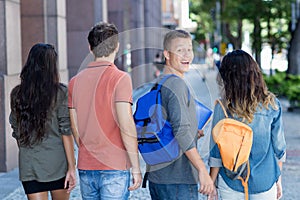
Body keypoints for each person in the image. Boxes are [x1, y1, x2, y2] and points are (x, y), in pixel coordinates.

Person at [68, 22, 142, 199]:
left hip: (86, 166)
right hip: (114, 165)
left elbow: (74, 125)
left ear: (90, 48)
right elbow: (126, 125)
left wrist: (88, 150)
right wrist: (136, 167)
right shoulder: (120, 79)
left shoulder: (74, 82)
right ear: (117, 46)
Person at [208, 50, 286, 200]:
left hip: (231, 181)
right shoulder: (272, 105)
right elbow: (279, 148)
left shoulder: (223, 107)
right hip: (265, 182)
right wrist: (278, 180)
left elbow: (215, 150)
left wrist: (211, 183)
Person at [147, 29, 215, 200]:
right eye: (180, 50)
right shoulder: (177, 85)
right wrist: (202, 170)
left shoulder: (159, 83)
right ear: (166, 54)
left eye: (189, 49)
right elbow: (180, 131)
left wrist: (193, 133)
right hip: (178, 181)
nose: (186, 55)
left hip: (158, 177)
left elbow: (165, 126)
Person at [9, 43, 76, 200]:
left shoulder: (17, 94)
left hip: (29, 164)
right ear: (52, 66)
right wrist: (71, 168)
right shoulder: (61, 92)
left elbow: (16, 131)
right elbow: (66, 132)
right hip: (57, 164)